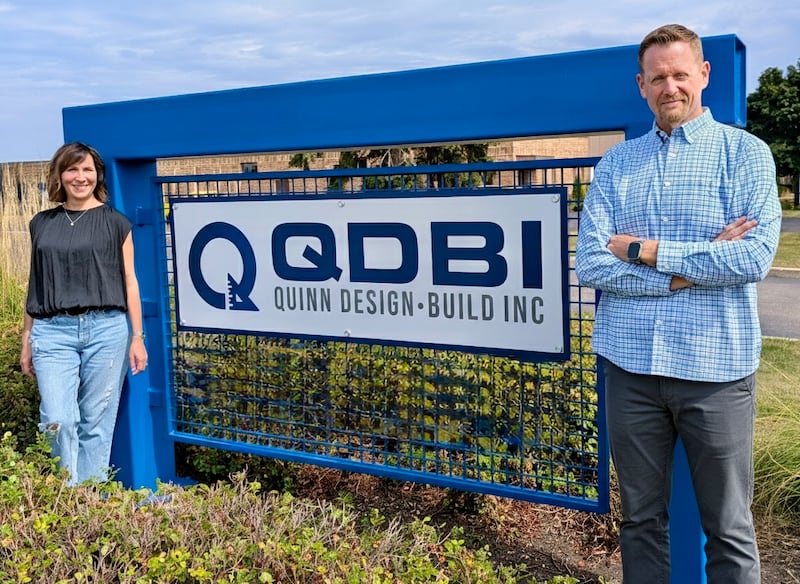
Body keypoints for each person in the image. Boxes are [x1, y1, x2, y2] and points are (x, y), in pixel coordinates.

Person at [575, 24, 781, 583]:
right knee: (640, 520)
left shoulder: (745, 155)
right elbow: (591, 264)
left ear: (703, 75)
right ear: (642, 85)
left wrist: (645, 251)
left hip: (716, 373)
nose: (671, 87)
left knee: (730, 528)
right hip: (629, 371)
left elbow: (753, 259)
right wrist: (683, 274)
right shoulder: (616, 166)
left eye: (680, 74)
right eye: (658, 77)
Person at [19, 142, 148, 486]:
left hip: (107, 330)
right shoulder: (41, 223)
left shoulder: (117, 223)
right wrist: (27, 338)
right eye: (72, 169)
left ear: (98, 175)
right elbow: (37, 282)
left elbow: (131, 282)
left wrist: (137, 337)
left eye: (87, 169)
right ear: (60, 175)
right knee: (57, 419)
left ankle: (85, 506)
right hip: (52, 331)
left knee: (96, 422)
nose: (80, 177)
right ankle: (67, 493)